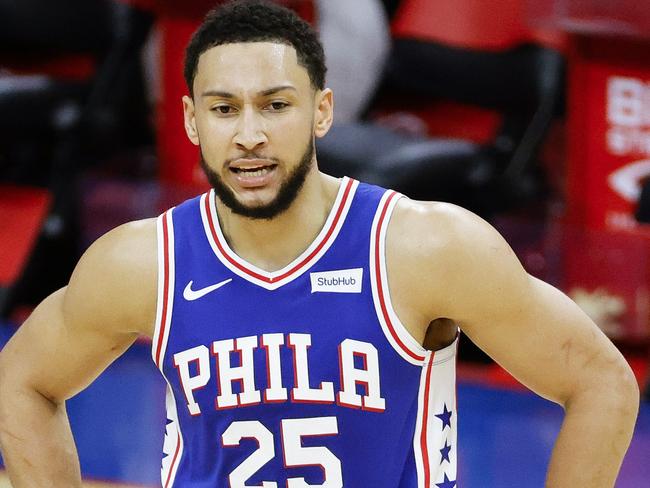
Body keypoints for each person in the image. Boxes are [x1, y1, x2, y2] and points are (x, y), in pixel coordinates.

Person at [0, 1, 639, 487]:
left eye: (275, 105)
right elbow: (20, 382)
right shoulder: (143, 262)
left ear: (323, 111)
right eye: (224, 110)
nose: (249, 134)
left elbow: (601, 383)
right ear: (193, 119)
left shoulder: (424, 246)